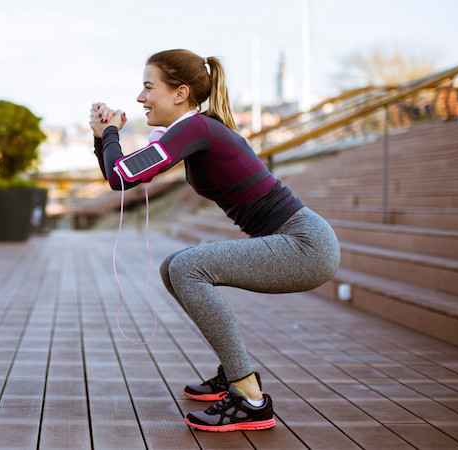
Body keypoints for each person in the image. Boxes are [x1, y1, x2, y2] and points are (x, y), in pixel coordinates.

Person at [89, 49, 339, 432]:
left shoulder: (195, 129)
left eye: (147, 87)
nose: (140, 98)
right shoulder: (190, 131)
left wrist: (109, 134)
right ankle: (232, 372)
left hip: (306, 244)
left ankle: (251, 400)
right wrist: (102, 138)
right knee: (174, 268)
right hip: (298, 241)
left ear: (180, 93)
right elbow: (121, 174)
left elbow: (122, 176)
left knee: (188, 267)